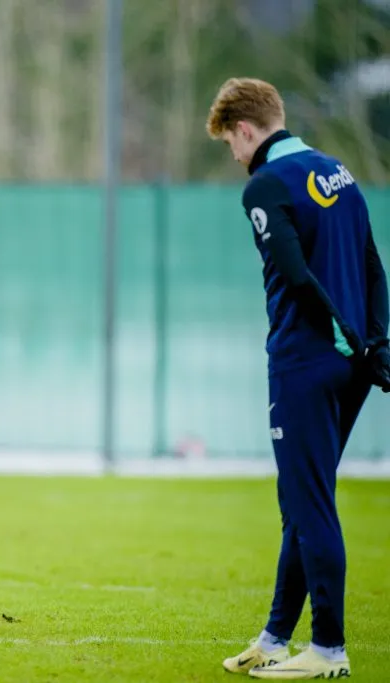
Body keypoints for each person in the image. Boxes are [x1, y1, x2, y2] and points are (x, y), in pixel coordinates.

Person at [206, 78, 389, 680]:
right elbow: (370, 260)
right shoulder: (335, 169)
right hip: (352, 361)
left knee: (309, 504)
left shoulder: (266, 184)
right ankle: (275, 636)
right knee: (301, 501)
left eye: (230, 142)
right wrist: (377, 342)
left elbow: (294, 273)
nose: (233, 156)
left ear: (246, 130)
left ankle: (329, 651)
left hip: (306, 362)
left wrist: (344, 334)